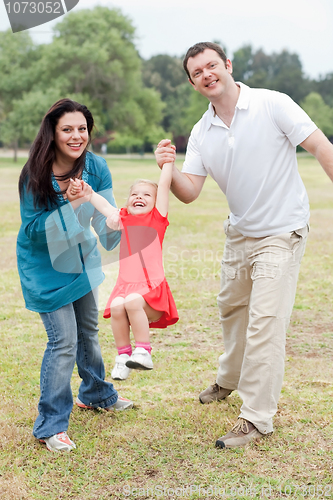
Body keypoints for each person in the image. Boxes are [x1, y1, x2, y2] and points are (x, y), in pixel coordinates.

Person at [155, 42, 333, 449]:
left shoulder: (273, 104)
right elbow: (190, 191)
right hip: (239, 233)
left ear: (227, 66)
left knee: (265, 321)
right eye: (197, 72)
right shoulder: (202, 131)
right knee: (231, 308)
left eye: (212, 65)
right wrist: (168, 166)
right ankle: (229, 379)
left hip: (282, 232)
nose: (206, 74)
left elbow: (321, 147)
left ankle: (256, 418)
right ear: (192, 82)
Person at [17, 98, 133, 453]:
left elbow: (107, 224)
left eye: (82, 128)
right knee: (63, 341)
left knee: (87, 331)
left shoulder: (95, 167)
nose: (76, 135)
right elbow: (36, 231)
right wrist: (74, 203)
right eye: (67, 129)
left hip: (81, 261)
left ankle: (96, 393)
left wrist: (124, 222)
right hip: (43, 269)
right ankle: (50, 425)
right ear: (52, 133)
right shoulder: (34, 173)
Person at [67, 160, 179, 381]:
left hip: (150, 289)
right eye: (135, 194)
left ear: (157, 203)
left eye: (147, 195)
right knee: (118, 306)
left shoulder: (157, 219)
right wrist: (88, 193)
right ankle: (123, 356)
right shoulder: (124, 219)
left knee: (132, 301)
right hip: (126, 287)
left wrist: (167, 162)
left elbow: (164, 185)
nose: (139, 197)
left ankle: (144, 351)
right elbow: (105, 207)